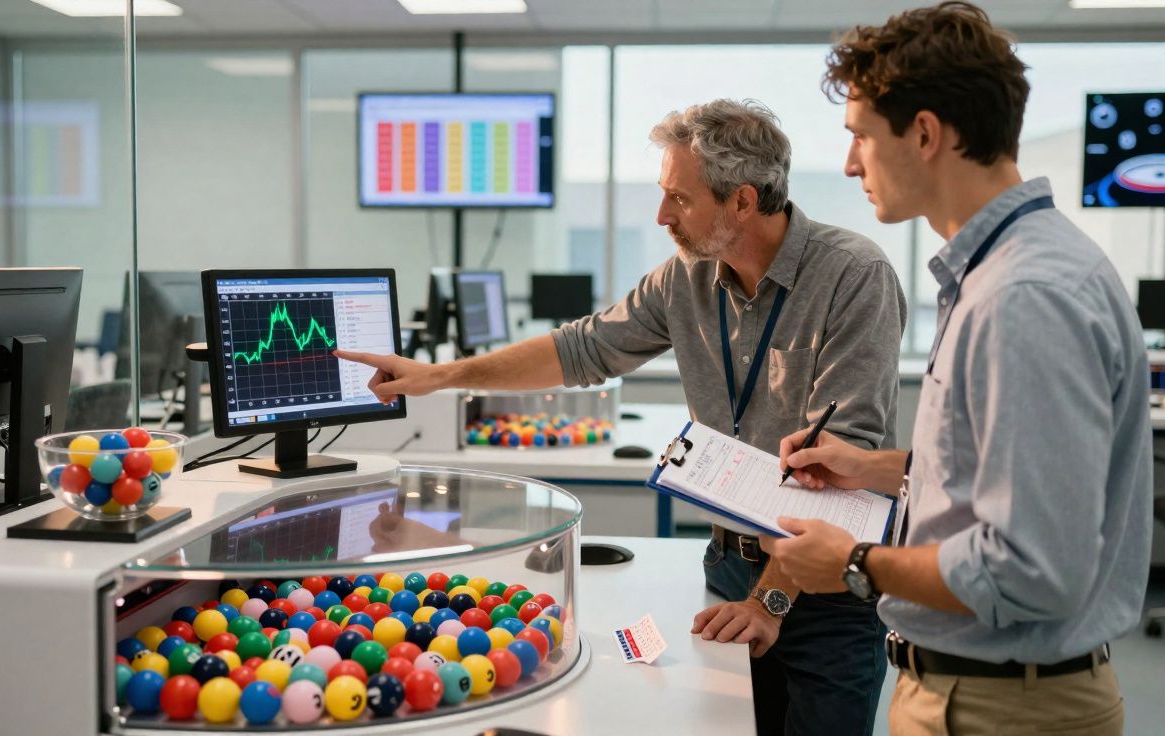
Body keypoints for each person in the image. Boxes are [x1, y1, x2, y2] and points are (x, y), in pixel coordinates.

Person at [335, 98, 906, 735]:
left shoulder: (856, 276)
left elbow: (840, 457)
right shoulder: (685, 277)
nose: (662, 216)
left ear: (742, 202)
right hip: (727, 566)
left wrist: (770, 600)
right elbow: (580, 349)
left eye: (680, 200)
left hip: (822, 590)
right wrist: (442, 376)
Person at [766, 3, 1152, 735]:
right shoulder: (1006, 271)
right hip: (987, 694)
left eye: (861, 139)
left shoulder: (1022, 298)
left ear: (924, 133)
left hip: (1000, 708)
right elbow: (1008, 473)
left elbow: (1030, 566)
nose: (850, 165)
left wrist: (855, 561)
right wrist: (872, 469)